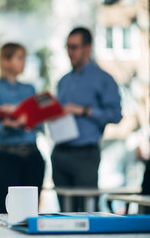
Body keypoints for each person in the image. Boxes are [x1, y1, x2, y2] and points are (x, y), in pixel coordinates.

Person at [51, 27, 122, 211]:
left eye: (74, 47)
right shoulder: (63, 81)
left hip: (85, 155)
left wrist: (83, 110)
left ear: (88, 48)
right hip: (60, 153)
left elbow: (116, 115)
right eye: (67, 47)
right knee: (64, 216)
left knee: (86, 214)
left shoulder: (104, 79)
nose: (70, 52)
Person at [0, 43, 45, 213]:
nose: (24, 62)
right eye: (20, 58)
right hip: (6, 157)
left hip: (32, 156)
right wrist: (6, 122)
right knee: (4, 212)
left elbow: (40, 123)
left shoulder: (30, 89)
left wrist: (28, 120)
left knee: (30, 212)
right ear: (6, 61)